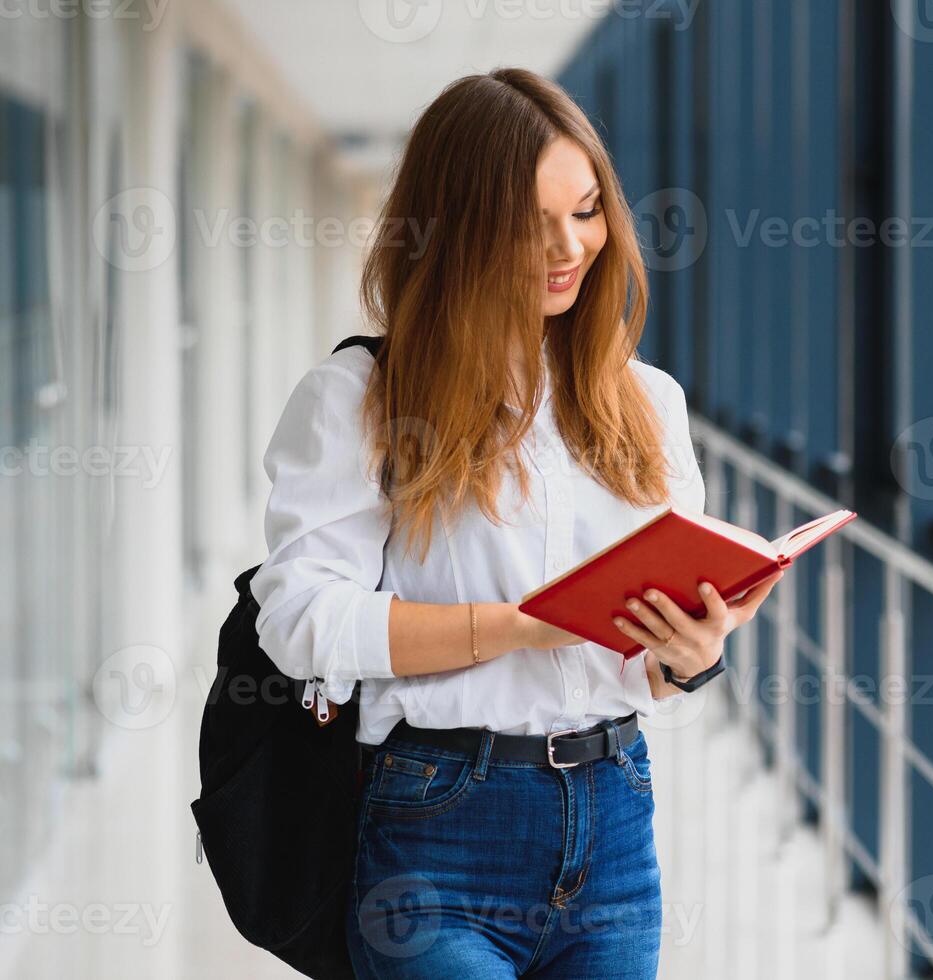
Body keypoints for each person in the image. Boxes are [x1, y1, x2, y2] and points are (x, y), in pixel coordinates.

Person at [249, 68, 780, 979]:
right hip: (438, 826)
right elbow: (299, 622)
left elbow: (641, 663)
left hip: (614, 824)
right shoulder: (362, 400)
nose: (568, 247)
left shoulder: (648, 402)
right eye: (530, 224)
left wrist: (689, 655)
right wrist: (522, 625)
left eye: (586, 211)